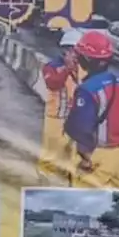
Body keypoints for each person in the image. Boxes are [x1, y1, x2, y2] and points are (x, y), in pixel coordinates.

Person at [64, 31, 119, 188]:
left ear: (88, 59)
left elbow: (81, 130)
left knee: (84, 203)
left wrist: (85, 157)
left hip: (95, 155)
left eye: (80, 54)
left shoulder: (87, 89)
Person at [39, 28, 82, 180]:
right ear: (63, 50)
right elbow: (53, 83)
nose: (74, 54)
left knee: (72, 153)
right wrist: (67, 69)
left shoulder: (82, 69)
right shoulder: (51, 67)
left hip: (74, 119)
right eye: (70, 50)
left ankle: (67, 178)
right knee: (51, 152)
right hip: (55, 118)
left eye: (76, 50)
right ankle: (45, 178)